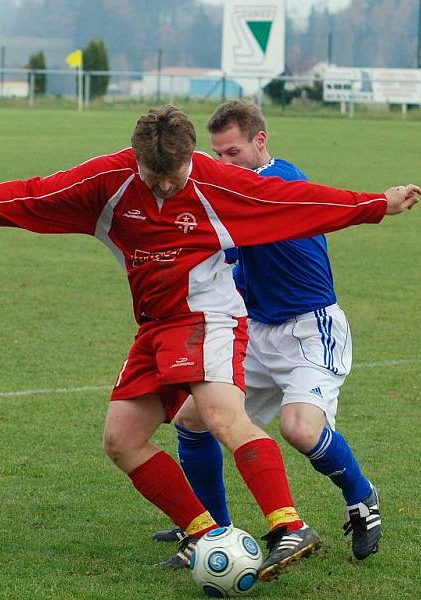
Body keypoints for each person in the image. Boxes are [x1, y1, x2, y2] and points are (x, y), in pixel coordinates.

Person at [0, 105, 421, 581]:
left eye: (175, 174)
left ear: (191, 159)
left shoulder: (215, 181)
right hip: (155, 327)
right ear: (134, 157)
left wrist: (380, 204)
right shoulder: (108, 181)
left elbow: (298, 202)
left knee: (223, 418)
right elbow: (40, 194)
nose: (164, 185)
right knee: (121, 440)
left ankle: (289, 527)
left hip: (208, 318)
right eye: (153, 175)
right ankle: (204, 532)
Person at [152, 100, 383, 561]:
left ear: (261, 141)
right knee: (193, 422)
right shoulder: (231, 193)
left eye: (232, 153)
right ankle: (212, 530)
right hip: (257, 331)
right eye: (217, 155)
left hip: (310, 329)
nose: (224, 164)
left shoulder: (282, 182)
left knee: (299, 429)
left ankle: (363, 499)